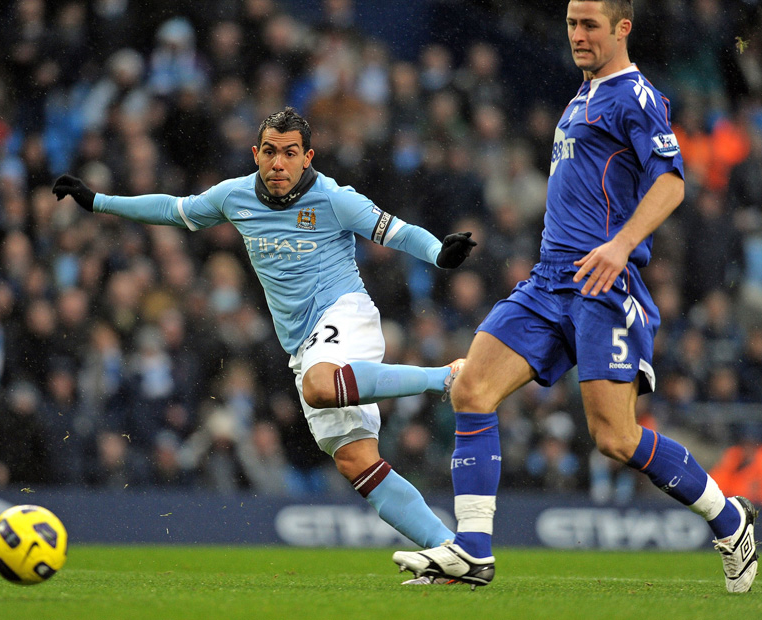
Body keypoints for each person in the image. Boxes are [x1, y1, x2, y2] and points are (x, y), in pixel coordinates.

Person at [393, 0, 759, 593]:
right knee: (471, 388)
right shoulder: (579, 98)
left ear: (622, 28)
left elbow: (670, 183)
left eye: (590, 25)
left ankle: (728, 517)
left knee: (614, 438)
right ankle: (472, 551)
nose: (578, 35)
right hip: (547, 282)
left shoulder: (635, 95)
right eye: (570, 24)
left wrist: (620, 246)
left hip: (602, 286)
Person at [52, 107, 476, 553]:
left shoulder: (334, 198)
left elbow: (398, 232)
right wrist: (98, 201)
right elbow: (172, 210)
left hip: (345, 313)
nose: (279, 163)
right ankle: (455, 552)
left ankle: (444, 378)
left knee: (319, 386)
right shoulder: (234, 196)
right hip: (303, 344)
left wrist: (438, 253)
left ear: (307, 157)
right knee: (355, 460)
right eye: (270, 152)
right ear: (256, 154)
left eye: (290, 153)